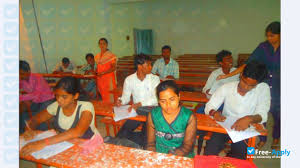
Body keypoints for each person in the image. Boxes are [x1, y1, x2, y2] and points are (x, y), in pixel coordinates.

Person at [217, 21, 280, 150]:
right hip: (265, 84)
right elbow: (247, 64)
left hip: (281, 86)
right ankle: (262, 138)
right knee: (261, 112)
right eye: (267, 35)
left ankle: (276, 137)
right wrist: (228, 75)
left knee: (279, 114)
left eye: (272, 35)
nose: (269, 38)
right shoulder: (263, 47)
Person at [204, 61, 271, 160]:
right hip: (226, 125)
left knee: (238, 157)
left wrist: (249, 119)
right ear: (241, 75)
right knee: (210, 150)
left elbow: (263, 113)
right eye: (244, 82)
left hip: (246, 128)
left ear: (258, 83)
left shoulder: (263, 88)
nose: (246, 87)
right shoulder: (227, 87)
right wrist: (214, 113)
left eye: (252, 86)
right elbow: (209, 106)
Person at [21, 77, 99, 155]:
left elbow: (77, 132)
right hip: (67, 144)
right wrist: (29, 130)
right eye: (57, 96)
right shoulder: (56, 106)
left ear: (75, 96)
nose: (59, 100)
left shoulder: (86, 106)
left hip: (89, 145)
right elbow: (35, 120)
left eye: (64, 97)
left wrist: (43, 142)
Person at [196, 50, 239, 154]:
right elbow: (205, 89)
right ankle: (201, 133)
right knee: (201, 111)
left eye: (231, 58)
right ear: (221, 63)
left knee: (227, 115)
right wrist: (210, 92)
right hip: (217, 101)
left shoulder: (237, 72)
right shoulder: (215, 73)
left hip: (231, 103)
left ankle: (226, 137)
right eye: (227, 59)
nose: (231, 60)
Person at [115, 54, 160, 147]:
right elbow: (126, 97)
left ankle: (143, 141)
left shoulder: (154, 79)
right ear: (139, 66)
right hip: (137, 111)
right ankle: (140, 140)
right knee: (121, 134)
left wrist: (140, 103)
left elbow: (156, 99)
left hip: (152, 110)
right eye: (148, 65)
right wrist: (121, 101)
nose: (151, 67)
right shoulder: (129, 79)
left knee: (147, 135)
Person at [146, 80, 196, 158]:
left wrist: (169, 157)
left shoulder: (188, 117)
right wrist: (153, 156)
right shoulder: (153, 115)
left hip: (181, 155)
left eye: (172, 99)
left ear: (179, 96)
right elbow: (150, 143)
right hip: (159, 154)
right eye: (163, 101)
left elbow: (187, 147)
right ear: (158, 101)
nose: (168, 105)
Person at [19, 60, 55, 133]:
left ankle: (42, 134)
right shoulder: (21, 80)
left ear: (28, 71)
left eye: (22, 74)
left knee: (40, 117)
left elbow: (36, 94)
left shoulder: (38, 77)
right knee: (21, 111)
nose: (20, 76)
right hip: (36, 101)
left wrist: (20, 97)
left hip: (47, 100)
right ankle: (22, 132)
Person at [95, 38, 117, 103]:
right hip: (100, 78)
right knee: (103, 94)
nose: (102, 45)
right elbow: (98, 67)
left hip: (108, 78)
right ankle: (105, 109)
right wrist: (97, 72)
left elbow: (113, 68)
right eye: (100, 43)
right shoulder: (97, 56)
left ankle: (111, 111)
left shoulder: (111, 55)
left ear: (107, 45)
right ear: (99, 45)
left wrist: (103, 73)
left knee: (110, 95)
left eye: (104, 43)